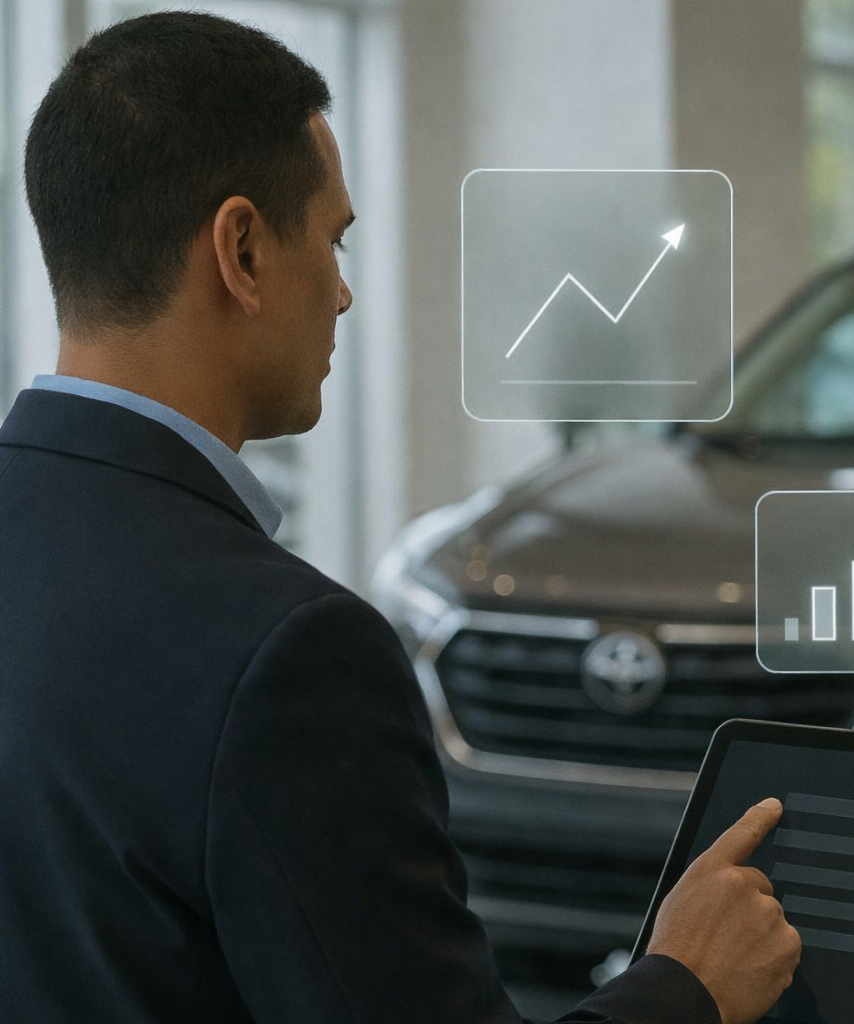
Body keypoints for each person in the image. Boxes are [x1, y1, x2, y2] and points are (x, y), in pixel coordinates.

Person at [0, 12, 799, 1024]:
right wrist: (686, 981)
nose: (340, 293)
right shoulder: (288, 655)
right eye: (331, 242)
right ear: (241, 249)